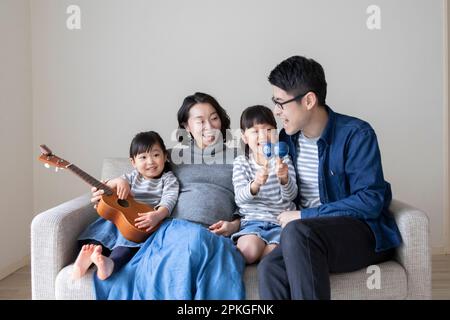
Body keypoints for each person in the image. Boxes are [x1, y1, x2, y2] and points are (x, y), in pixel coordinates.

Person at [257, 55, 402, 300]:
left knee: (296, 232)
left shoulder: (356, 134)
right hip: (307, 238)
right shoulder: (286, 140)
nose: (276, 111)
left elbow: (370, 200)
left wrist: (304, 216)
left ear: (309, 100)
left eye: (281, 102)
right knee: (269, 268)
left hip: (359, 233)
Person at [89, 92, 245, 299]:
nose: (209, 125)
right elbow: (140, 173)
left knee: (205, 249)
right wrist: (112, 184)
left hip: (215, 234)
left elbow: (250, 201)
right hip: (174, 231)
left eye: (214, 118)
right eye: (200, 121)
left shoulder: (240, 158)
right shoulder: (170, 156)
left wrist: (234, 225)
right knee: (190, 244)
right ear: (187, 126)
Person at [73, 131, 179, 281]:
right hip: (119, 220)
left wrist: (158, 215)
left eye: (155, 155)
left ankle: (110, 264)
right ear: (133, 162)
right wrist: (117, 181)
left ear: (165, 156)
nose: (150, 162)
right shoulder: (132, 177)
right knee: (100, 232)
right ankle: (86, 260)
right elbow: (107, 187)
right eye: (143, 157)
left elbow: (170, 199)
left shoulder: (168, 179)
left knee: (126, 245)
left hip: (141, 222)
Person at [231, 105, 297, 264]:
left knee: (276, 255)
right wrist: (255, 184)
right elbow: (240, 199)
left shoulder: (284, 160)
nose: (263, 136)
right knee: (248, 252)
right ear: (245, 137)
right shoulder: (241, 163)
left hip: (281, 222)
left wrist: (284, 179)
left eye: (269, 130)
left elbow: (291, 196)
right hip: (253, 221)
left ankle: (269, 254)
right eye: (255, 131)